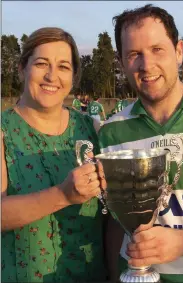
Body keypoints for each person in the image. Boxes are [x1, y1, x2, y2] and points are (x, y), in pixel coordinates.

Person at [98, 4, 183, 283]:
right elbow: (115, 223)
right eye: (134, 54)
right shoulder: (111, 132)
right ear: (121, 63)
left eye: (157, 49)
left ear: (179, 51)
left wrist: (182, 243)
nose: (146, 65)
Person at [1, 27, 108, 283]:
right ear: (21, 68)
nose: (51, 76)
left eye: (63, 67)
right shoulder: (3, 132)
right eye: (41, 64)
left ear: (73, 77)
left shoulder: (92, 129)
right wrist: (61, 195)